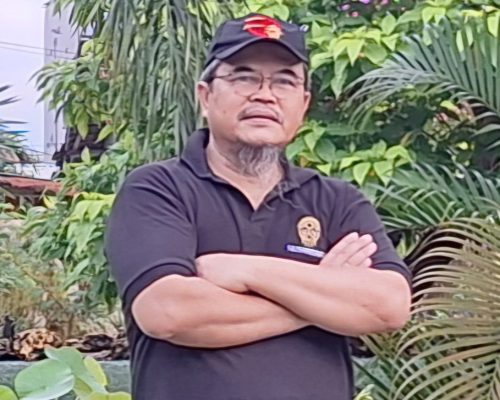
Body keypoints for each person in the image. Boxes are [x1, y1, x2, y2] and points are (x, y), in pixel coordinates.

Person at [105, 13, 412, 400]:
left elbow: (388, 307)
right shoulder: (158, 189)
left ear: (303, 105)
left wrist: (243, 270)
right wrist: (321, 297)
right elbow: (167, 312)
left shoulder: (336, 202)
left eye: (284, 81)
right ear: (206, 96)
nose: (265, 95)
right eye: (244, 77)